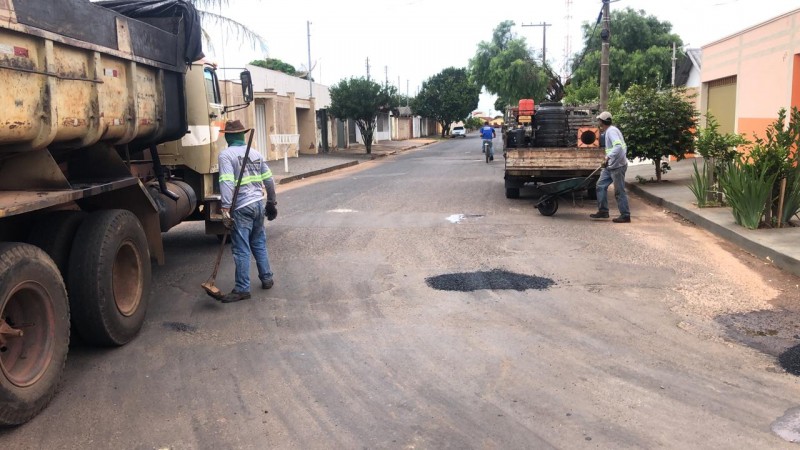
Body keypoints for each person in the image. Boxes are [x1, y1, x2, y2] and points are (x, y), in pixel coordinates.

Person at [218, 119, 279, 303]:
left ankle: (242, 288)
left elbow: (227, 181)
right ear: (242, 135)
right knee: (259, 242)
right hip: (258, 204)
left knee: (241, 248)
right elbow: (269, 180)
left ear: (228, 136)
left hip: (242, 207)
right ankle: (267, 278)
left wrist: (226, 208)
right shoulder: (255, 154)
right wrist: (271, 202)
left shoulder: (226, 155)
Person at [591, 111, 631, 223]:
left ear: (602, 122)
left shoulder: (611, 131)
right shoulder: (609, 131)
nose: (598, 122)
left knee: (619, 191)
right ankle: (603, 211)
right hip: (611, 166)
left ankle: (625, 215)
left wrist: (608, 157)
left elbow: (618, 146)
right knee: (600, 185)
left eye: (599, 120)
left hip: (618, 166)